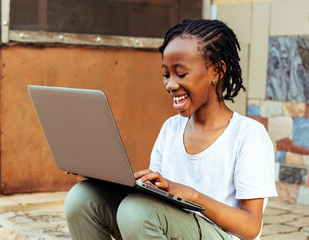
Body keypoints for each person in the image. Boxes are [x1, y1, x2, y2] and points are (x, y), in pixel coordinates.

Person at [64, 18, 277, 240]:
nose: (170, 84)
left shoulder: (248, 135)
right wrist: (102, 177)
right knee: (82, 198)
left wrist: (193, 196)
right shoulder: (171, 128)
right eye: (166, 74)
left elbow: (251, 227)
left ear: (217, 71)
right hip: (168, 227)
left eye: (181, 74)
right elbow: (153, 200)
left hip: (221, 235)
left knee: (137, 213)